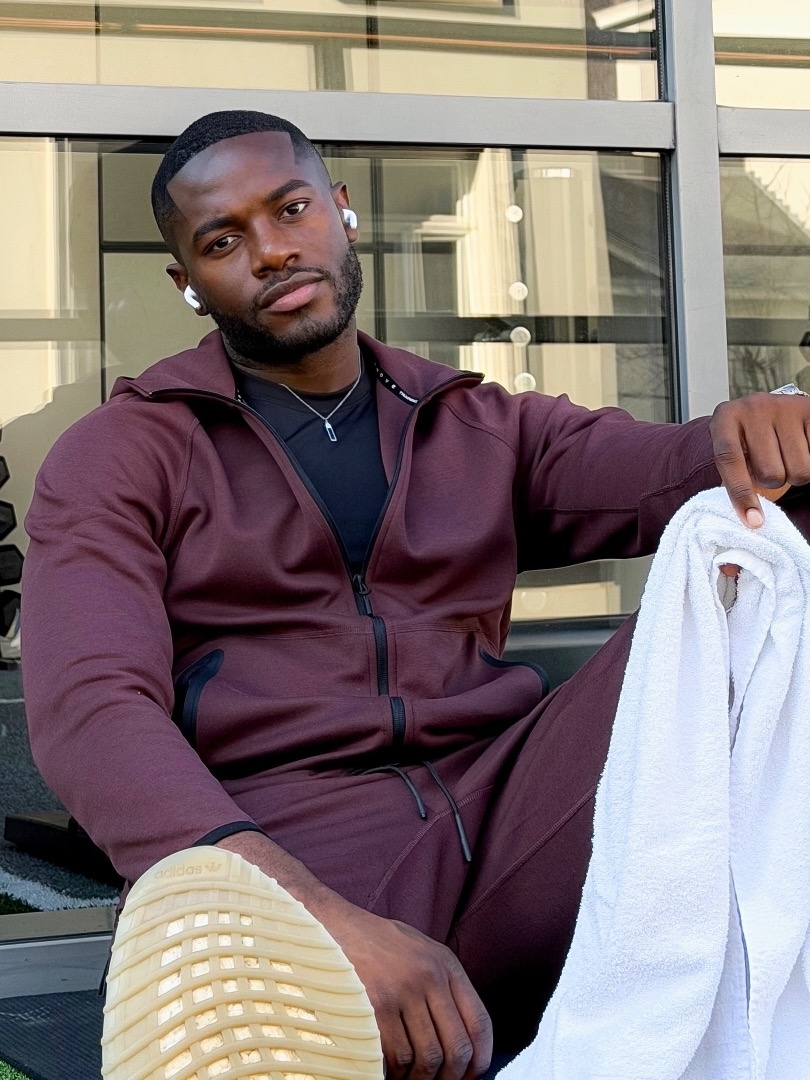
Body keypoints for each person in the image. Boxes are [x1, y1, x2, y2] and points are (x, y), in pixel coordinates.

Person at [21, 111, 810, 1080]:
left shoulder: (474, 422)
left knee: (773, 530)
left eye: (291, 209)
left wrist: (761, 426)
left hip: (514, 822)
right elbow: (91, 709)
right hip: (299, 847)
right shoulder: (123, 451)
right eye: (223, 241)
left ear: (342, 211)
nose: (271, 251)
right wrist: (310, 915)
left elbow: (670, 468)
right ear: (187, 282)